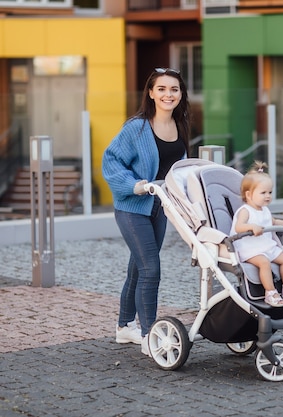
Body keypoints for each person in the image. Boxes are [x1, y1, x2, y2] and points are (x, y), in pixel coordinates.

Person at [102, 67, 190, 355]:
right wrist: (135, 185)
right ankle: (150, 334)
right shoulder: (136, 128)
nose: (168, 94)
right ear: (151, 93)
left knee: (138, 269)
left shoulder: (180, 125)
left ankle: (124, 327)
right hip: (133, 207)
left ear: (180, 94)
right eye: (162, 89)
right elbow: (111, 161)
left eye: (174, 89)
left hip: (160, 207)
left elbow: (179, 169)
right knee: (151, 269)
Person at [230, 161, 283, 307]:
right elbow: (239, 226)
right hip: (250, 249)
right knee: (264, 263)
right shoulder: (245, 211)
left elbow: (272, 221)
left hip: (265, 246)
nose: (268, 196)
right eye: (263, 193)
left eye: (270, 192)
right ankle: (270, 292)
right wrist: (252, 227)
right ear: (249, 194)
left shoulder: (264, 210)